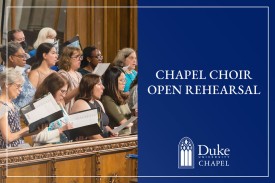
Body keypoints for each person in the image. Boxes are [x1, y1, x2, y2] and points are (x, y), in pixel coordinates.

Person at [32, 72, 72, 146]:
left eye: (65, 92)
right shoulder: (41, 107)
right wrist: (61, 130)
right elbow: (36, 137)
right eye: (62, 91)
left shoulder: (59, 104)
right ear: (52, 89)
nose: (64, 95)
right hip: (48, 152)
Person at [71, 74, 116, 139]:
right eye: (99, 84)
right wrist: (107, 143)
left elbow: (103, 125)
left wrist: (111, 131)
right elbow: (91, 134)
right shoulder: (80, 103)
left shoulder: (98, 103)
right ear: (90, 86)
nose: (103, 87)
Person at [0, 68, 30, 148]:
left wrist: (35, 129)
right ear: (7, 84)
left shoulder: (12, 104)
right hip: (9, 154)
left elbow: (17, 132)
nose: (20, 90)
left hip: (18, 149)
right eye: (18, 86)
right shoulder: (2, 106)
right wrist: (27, 128)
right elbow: (8, 138)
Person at [0, 42, 35, 108]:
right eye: (22, 56)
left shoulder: (22, 71)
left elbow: (30, 92)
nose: (25, 59)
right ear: (11, 58)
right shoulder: (2, 75)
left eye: (25, 55)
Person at [101, 67, 133, 135]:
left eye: (125, 80)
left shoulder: (121, 96)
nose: (124, 83)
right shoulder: (107, 99)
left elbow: (129, 117)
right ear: (113, 81)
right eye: (121, 80)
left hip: (127, 135)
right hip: (118, 138)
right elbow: (124, 123)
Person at [58, 46, 82, 113]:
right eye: (76, 57)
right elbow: (62, 99)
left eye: (80, 57)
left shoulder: (79, 75)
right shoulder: (62, 74)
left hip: (80, 110)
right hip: (69, 111)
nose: (80, 59)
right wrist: (80, 87)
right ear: (67, 59)